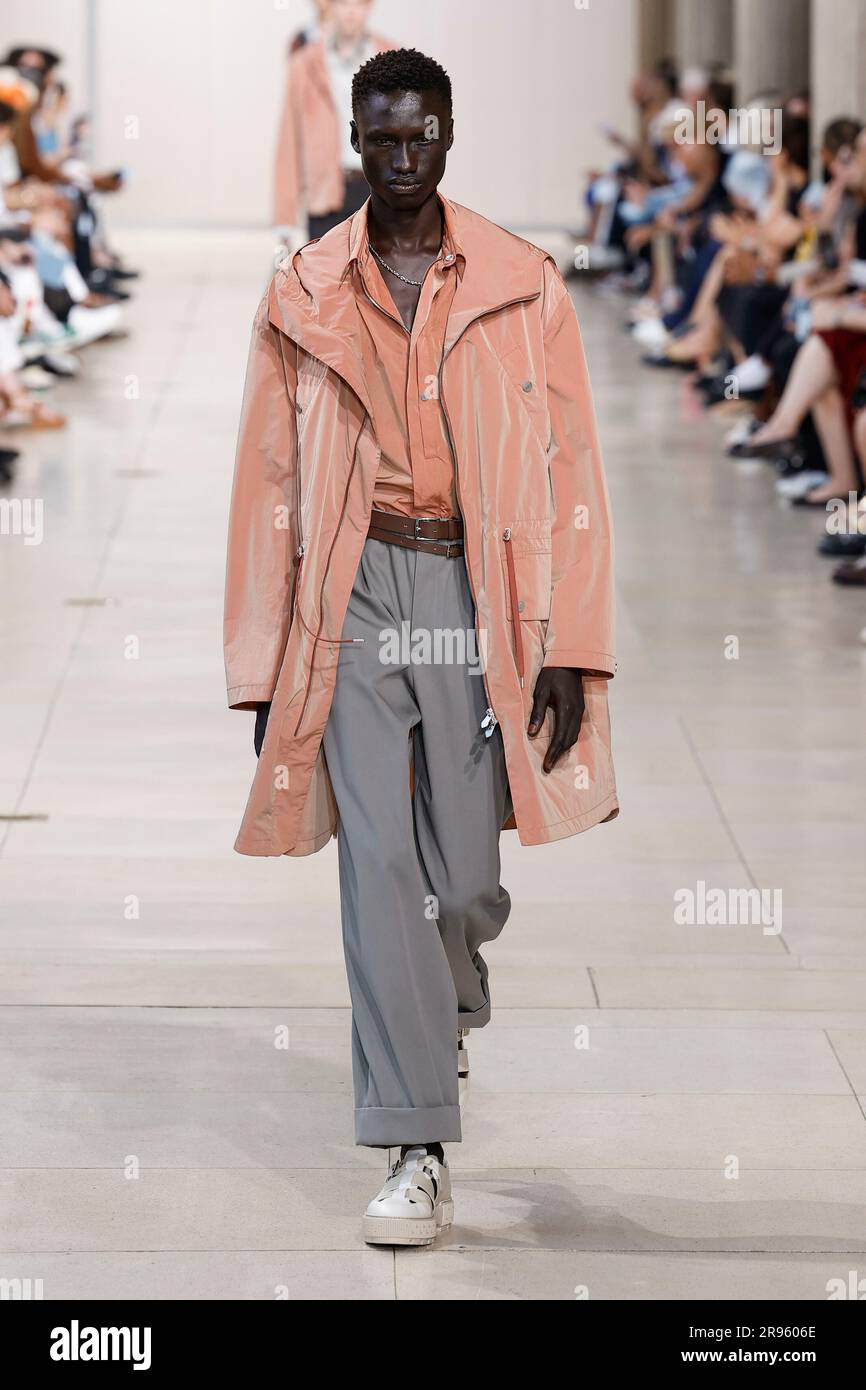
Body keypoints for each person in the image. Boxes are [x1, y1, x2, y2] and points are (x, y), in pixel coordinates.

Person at [225, 47, 618, 1247]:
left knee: (465, 871)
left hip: (470, 588)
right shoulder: (303, 289)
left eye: (423, 138)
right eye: (383, 138)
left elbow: (571, 471)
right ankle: (413, 1141)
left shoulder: (518, 280)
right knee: (379, 867)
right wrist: (261, 662)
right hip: (351, 585)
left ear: (448, 137)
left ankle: (442, 993)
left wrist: (572, 644)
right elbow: (267, 478)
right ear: (354, 138)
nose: (403, 159)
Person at [272, 0, 394, 247]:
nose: (350, 11)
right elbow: (289, 142)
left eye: (358, 4)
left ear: (368, 7)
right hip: (325, 194)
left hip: (378, 192)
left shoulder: (391, 58)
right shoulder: (305, 63)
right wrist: (284, 220)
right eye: (343, 3)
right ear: (331, 7)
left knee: (377, 283)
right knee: (323, 282)